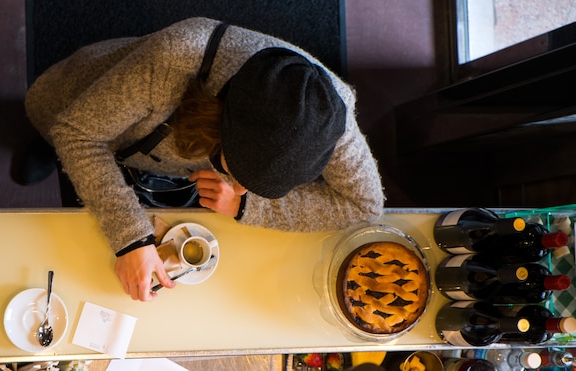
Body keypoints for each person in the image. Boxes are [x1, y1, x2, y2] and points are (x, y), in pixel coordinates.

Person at [24, 17, 385, 302]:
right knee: (57, 138)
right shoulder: (173, 59)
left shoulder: (328, 113)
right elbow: (77, 133)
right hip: (77, 104)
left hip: (158, 160)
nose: (239, 188)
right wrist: (131, 239)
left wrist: (248, 207)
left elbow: (366, 206)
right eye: (238, 172)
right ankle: (43, 148)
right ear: (222, 120)